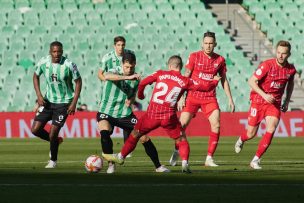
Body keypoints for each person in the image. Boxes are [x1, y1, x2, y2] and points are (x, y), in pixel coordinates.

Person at [102, 55, 221, 173]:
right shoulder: (186, 81)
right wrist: (215, 81)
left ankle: (121, 156)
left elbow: (143, 82)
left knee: (135, 134)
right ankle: (185, 162)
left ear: (169, 66)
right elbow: (205, 88)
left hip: (152, 114)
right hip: (169, 116)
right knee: (181, 139)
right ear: (180, 66)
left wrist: (141, 95)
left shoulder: (160, 73)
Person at [169, 32, 235, 167]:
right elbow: (186, 76)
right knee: (181, 127)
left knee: (216, 124)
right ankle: (176, 150)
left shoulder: (220, 60)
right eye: (206, 43)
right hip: (192, 96)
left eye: (211, 43)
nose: (208, 46)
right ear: (202, 43)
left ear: (215, 44)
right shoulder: (194, 56)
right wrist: (182, 96)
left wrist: (230, 99)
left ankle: (209, 158)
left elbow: (224, 80)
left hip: (209, 97)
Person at [97, 51, 168, 173]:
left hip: (124, 113)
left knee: (144, 137)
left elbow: (132, 95)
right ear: (122, 64)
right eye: (126, 67)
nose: (129, 69)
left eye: (131, 67)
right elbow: (107, 76)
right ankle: (111, 164)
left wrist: (131, 100)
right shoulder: (115, 70)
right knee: (104, 133)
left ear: (135, 64)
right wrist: (127, 77)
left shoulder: (136, 79)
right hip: (106, 111)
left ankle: (158, 166)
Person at [234, 40, 296, 169]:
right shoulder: (267, 65)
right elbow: (251, 81)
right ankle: (241, 139)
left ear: (288, 54)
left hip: (274, 104)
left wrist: (286, 100)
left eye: (284, 53)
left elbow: (290, 85)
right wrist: (264, 95)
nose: (280, 55)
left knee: (271, 128)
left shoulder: (290, 70)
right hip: (258, 101)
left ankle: (255, 160)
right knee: (251, 133)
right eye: (278, 52)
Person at [31, 41, 82, 168]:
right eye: (54, 51)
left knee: (53, 132)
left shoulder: (69, 65)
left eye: (59, 51)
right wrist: (39, 95)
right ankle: (56, 141)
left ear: (62, 52)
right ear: (50, 52)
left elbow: (78, 82)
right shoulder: (43, 62)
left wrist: (73, 103)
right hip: (48, 101)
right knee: (35, 130)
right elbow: (35, 76)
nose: (57, 54)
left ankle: (53, 161)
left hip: (64, 104)